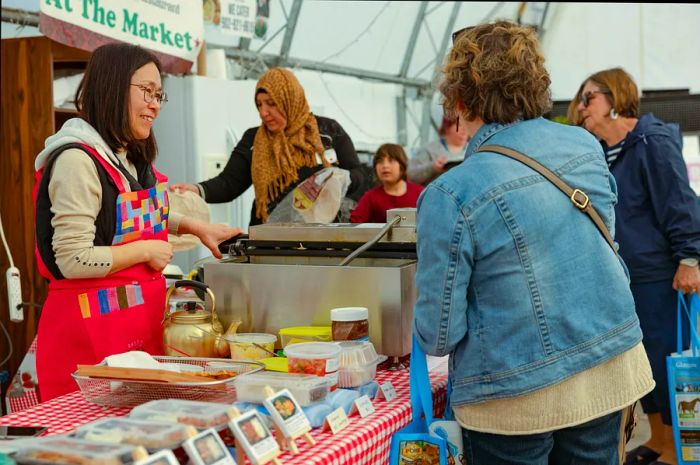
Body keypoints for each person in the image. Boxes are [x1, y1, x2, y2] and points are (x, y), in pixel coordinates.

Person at [413, 21, 655, 464]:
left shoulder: (451, 193)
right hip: (606, 369)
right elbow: (602, 246)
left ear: (460, 101)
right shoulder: (584, 145)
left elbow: (439, 335)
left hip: (512, 398)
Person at [33, 43, 242, 402]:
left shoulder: (126, 157)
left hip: (133, 333)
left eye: (159, 94)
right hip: (87, 344)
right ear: (112, 86)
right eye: (146, 91)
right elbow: (72, 258)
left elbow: (123, 217)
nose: (155, 104)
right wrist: (146, 250)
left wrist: (194, 227)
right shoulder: (76, 160)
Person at [569, 67, 700, 465]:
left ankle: (681, 449)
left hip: (660, 275)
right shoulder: (601, 152)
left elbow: (680, 203)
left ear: (615, 97)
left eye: (588, 97)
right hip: (624, 277)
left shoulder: (652, 142)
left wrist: (690, 258)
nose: (580, 107)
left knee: (667, 362)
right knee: (641, 365)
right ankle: (660, 439)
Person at [170, 67, 366, 225]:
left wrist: (337, 179)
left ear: (290, 100)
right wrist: (197, 189)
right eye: (259, 105)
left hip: (322, 236)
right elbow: (229, 184)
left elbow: (359, 175)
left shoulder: (328, 131)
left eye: (271, 103)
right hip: (269, 236)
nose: (264, 112)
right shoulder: (253, 140)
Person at [350, 144, 423, 223]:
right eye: (380, 161)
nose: (385, 166)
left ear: (402, 165)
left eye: (391, 160)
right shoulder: (371, 197)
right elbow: (355, 224)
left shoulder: (420, 194)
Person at [407, 115, 469, 185]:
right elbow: (410, 175)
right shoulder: (429, 149)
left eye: (466, 125)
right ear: (447, 127)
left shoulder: (476, 149)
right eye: (459, 125)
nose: (464, 129)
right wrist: (433, 168)